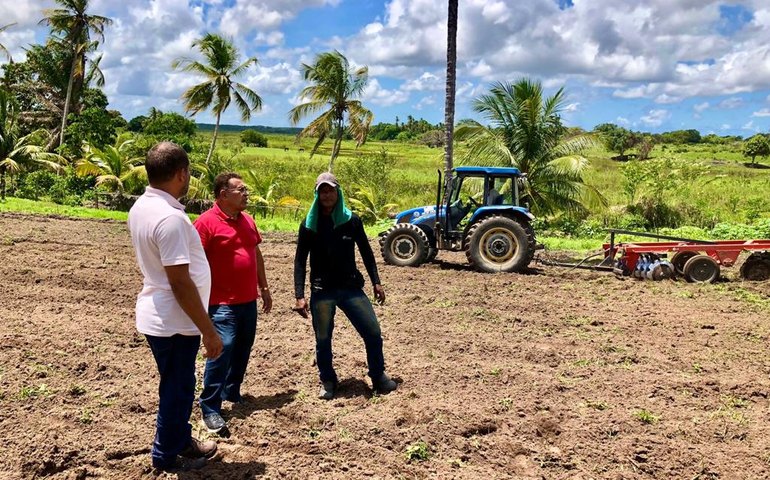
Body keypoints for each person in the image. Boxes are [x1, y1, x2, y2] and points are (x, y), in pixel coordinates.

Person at [127, 142, 223, 472]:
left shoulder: (142, 207)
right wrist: (209, 331)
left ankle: (180, 440)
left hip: (164, 316)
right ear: (182, 174)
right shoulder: (170, 220)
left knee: (177, 383)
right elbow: (180, 283)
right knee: (178, 390)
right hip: (175, 320)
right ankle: (165, 457)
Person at [293, 172, 398, 400]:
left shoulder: (352, 221)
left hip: (350, 287)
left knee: (372, 332)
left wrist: (376, 282)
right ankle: (328, 381)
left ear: (337, 192)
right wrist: (299, 295)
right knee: (323, 339)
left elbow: (367, 253)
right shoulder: (309, 225)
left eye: (330, 190)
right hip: (322, 291)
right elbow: (300, 260)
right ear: (317, 194)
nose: (327, 195)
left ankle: (378, 377)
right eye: (323, 191)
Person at [193, 172, 272, 433]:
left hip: (248, 299)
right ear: (223, 195)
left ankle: (232, 391)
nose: (246, 193)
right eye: (241, 190)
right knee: (223, 348)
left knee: (243, 348)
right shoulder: (205, 223)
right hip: (220, 302)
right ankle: (210, 407)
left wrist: (264, 286)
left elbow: (255, 253)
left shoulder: (248, 220)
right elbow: (194, 262)